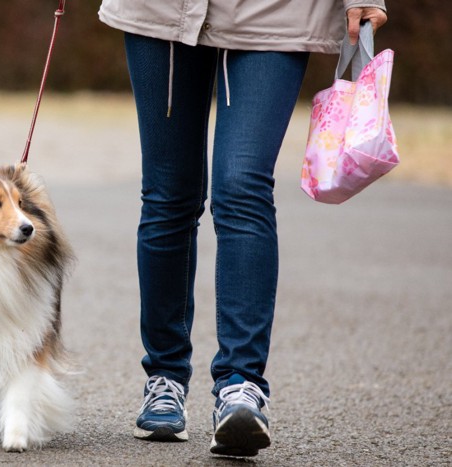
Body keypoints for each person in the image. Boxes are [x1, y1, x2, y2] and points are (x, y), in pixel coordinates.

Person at [98, 0, 388, 457]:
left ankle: (241, 387)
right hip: (161, 10)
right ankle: (166, 378)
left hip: (276, 11)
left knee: (242, 185)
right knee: (169, 193)